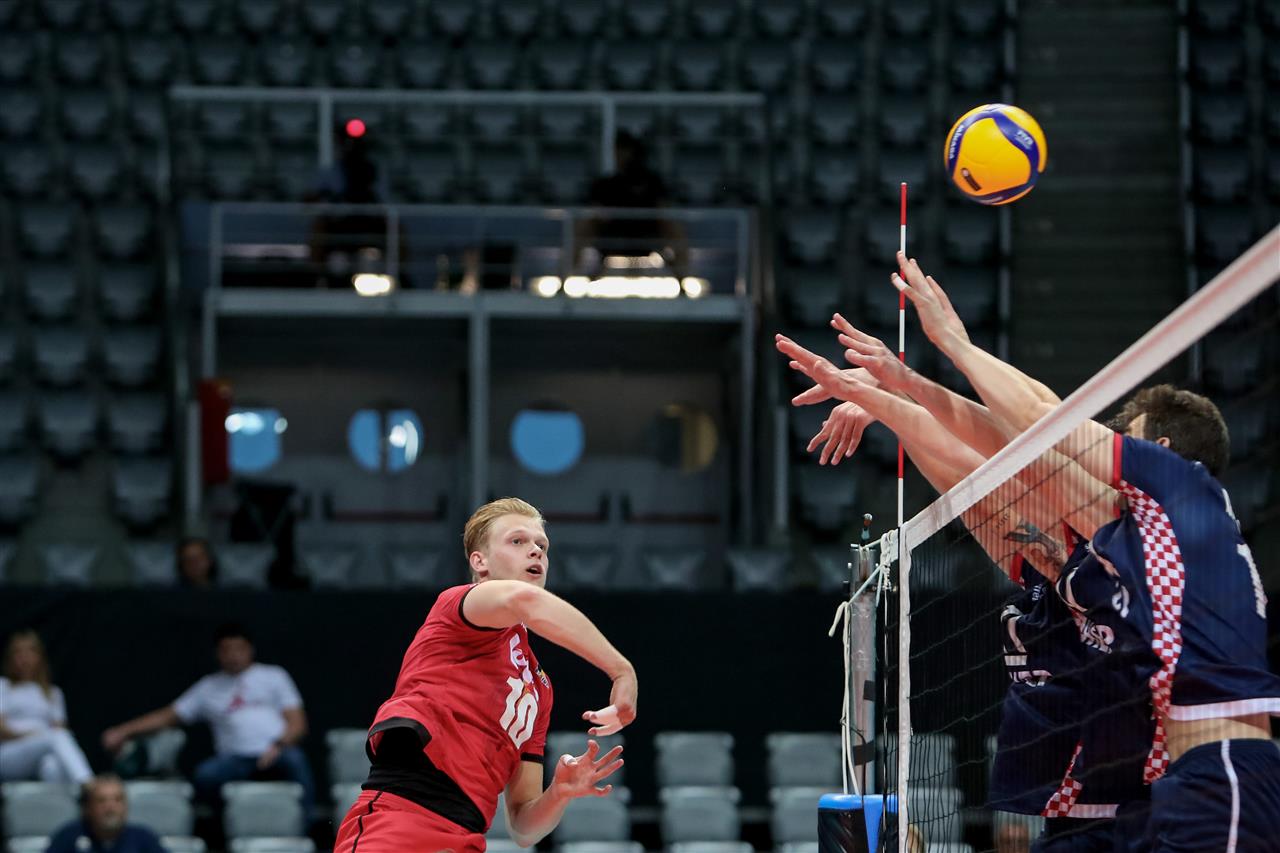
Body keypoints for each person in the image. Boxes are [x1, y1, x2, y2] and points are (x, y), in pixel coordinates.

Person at [785, 251, 1280, 850]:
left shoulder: (1177, 495)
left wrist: (945, 351)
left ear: (1164, 451)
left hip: (1201, 773)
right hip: (1159, 782)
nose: (1107, 450)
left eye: (1125, 440)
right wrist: (896, 394)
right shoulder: (1120, 551)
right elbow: (993, 471)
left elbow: (1041, 427)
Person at [334, 497, 638, 853]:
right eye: (517, 541)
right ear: (480, 562)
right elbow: (524, 602)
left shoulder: (538, 688)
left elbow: (523, 828)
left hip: (467, 835)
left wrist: (559, 793)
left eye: (542, 546)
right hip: (403, 817)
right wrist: (621, 671)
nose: (536, 551)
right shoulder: (460, 605)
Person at [102, 622, 316, 813]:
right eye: (227, 650)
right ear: (217, 653)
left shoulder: (274, 676)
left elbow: (298, 723)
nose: (234, 655)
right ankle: (224, 832)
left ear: (251, 649)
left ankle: (308, 829)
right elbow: (168, 716)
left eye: (239, 648)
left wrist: (278, 745)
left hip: (277, 751)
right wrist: (123, 731)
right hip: (233, 760)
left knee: (297, 761)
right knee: (206, 775)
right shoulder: (208, 687)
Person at [0, 630, 93, 784]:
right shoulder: (3, 686)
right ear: (10, 658)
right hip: (9, 753)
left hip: (42, 750)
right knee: (56, 737)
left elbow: (60, 729)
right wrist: (32, 735)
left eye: (30, 652)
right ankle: (89, 784)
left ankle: (65, 798)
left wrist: (42, 737)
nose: (24, 658)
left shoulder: (53, 693)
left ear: (39, 657)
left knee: (52, 765)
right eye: (18, 653)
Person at [46, 774, 165, 853]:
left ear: (126, 806)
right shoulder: (68, 837)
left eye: (118, 800)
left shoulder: (143, 839)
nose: (110, 808)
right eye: (101, 801)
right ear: (88, 807)